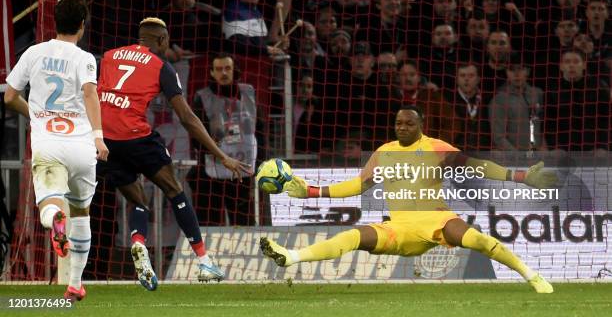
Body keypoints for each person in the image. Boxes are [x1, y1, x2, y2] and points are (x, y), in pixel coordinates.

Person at [260, 105, 556, 294]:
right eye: (398, 123)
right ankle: (291, 257)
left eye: (408, 124)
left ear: (420, 126)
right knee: (352, 235)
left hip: (437, 220)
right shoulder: (384, 151)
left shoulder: (436, 148)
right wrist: (312, 192)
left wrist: (519, 177)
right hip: (399, 228)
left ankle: (531, 276)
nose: (402, 128)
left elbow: (477, 165)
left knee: (477, 240)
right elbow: (358, 186)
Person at [96, 17, 251, 290]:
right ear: (163, 40)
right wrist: (221, 155)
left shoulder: (108, 57)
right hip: (136, 137)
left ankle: (138, 243)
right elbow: (188, 118)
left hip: (104, 140)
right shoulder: (161, 67)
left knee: (139, 200)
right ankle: (204, 261)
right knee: (174, 190)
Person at [4, 0, 109, 301]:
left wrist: (35, 115)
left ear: (55, 21)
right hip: (81, 146)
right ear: (82, 25)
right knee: (81, 211)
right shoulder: (85, 58)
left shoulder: (33, 53)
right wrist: (99, 137)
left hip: (48, 144)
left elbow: (9, 97)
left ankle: (54, 222)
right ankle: (75, 283)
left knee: (49, 205)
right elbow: (90, 94)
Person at [188, 54, 256, 226]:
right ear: (211, 72)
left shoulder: (248, 92)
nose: (223, 73)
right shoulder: (202, 97)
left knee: (244, 226)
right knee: (210, 226)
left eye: (227, 68)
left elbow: (260, 130)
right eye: (218, 69)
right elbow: (196, 135)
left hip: (242, 173)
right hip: (213, 174)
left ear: (235, 70)